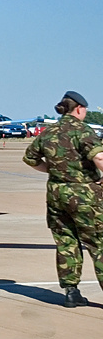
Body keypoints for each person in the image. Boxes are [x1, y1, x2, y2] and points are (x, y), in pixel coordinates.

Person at [23, 90, 103, 308]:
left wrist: (56, 171)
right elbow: (98, 156)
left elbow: (30, 158)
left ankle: (71, 291)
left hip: (57, 194)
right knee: (99, 243)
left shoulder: (49, 132)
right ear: (79, 108)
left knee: (66, 241)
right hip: (84, 194)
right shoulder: (82, 131)